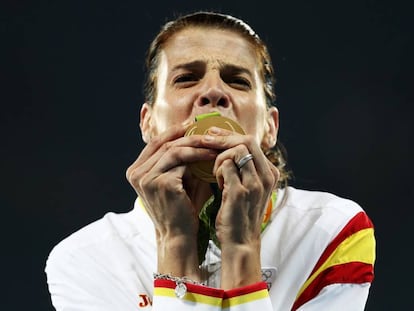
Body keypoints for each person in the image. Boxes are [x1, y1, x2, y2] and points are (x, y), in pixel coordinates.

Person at [45, 11, 376, 311]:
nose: (214, 91)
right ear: (147, 123)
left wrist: (242, 247)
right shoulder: (85, 259)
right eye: (187, 78)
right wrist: (176, 243)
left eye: (238, 81)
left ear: (270, 127)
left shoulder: (331, 232)